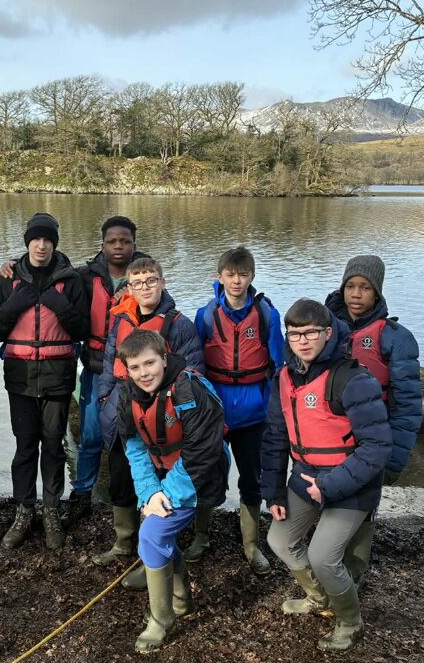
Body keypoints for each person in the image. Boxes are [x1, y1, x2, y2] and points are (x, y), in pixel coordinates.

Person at [262, 298, 391, 653]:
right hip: (307, 477)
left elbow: (377, 447)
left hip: (352, 483)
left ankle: (350, 620)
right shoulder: (283, 378)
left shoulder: (353, 379)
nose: (302, 341)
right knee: (279, 540)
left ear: (328, 333)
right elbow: (274, 438)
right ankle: (319, 596)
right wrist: (274, 492)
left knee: (322, 556)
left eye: (311, 333)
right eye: (294, 334)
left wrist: (329, 486)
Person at [116, 330, 228, 652]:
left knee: (151, 534)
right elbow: (134, 447)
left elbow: (202, 453)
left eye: (149, 363)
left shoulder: (189, 389)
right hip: (162, 475)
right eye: (135, 367)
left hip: (200, 475)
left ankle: (162, 619)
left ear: (164, 358)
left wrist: (166, 495)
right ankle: (180, 600)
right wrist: (150, 491)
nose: (143, 373)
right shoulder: (127, 395)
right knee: (156, 536)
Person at [96, 257, 203, 584]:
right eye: (138, 282)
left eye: (151, 281)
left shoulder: (179, 325)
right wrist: (104, 398)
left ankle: (152, 552)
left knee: (157, 481)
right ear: (129, 287)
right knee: (121, 476)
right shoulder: (120, 319)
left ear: (162, 282)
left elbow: (193, 371)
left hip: (160, 416)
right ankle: (123, 541)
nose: (145, 288)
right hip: (122, 409)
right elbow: (109, 362)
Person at [0, 212, 89, 550]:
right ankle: (24, 510)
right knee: (25, 444)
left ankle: (51, 510)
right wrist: (13, 306)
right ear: (27, 242)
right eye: (35, 239)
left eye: (47, 240)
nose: (41, 245)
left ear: (54, 244)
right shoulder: (9, 277)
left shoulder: (71, 280)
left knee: (54, 443)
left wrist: (61, 306)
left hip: (58, 374)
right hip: (19, 375)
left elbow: (82, 329)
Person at [325, 255, 421, 585]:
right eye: (350, 286)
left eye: (364, 287)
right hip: (331, 439)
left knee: (363, 508)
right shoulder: (325, 329)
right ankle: (330, 569)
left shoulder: (395, 338)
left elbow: (407, 405)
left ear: (377, 292)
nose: (356, 294)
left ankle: (354, 573)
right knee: (329, 501)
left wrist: (395, 458)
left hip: (371, 442)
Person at [191, 246, 284, 575]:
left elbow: (279, 366)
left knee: (251, 478)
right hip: (214, 412)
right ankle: (201, 536)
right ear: (219, 277)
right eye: (230, 275)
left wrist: (275, 410)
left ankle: (251, 544)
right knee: (205, 473)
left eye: (243, 275)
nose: (236, 281)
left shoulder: (267, 315)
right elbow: (194, 366)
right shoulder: (205, 315)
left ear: (252, 276)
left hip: (253, 414)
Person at [62, 216, 148, 529]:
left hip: (134, 373)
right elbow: (53, 271)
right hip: (96, 367)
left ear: (134, 244)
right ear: (102, 244)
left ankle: (138, 498)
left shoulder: (145, 277)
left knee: (136, 438)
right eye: (112, 241)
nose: (118, 246)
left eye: (125, 241)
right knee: (90, 436)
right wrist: (14, 265)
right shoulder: (86, 276)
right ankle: (82, 494)